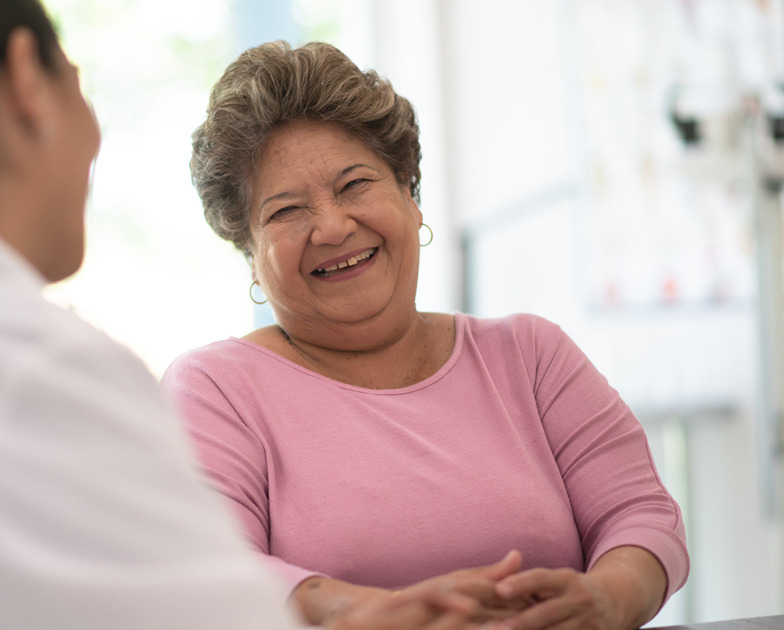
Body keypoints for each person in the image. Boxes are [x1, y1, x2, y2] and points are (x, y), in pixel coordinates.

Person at [0, 4, 488, 629]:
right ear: (28, 85)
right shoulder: (17, 365)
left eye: (355, 185)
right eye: (79, 85)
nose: (95, 138)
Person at [165, 41, 691, 630]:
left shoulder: (531, 355)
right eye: (286, 211)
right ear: (251, 254)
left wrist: (611, 598)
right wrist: (358, 612)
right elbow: (211, 568)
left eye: (355, 185)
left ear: (411, 197)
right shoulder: (215, 389)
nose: (334, 227)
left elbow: (641, 515)